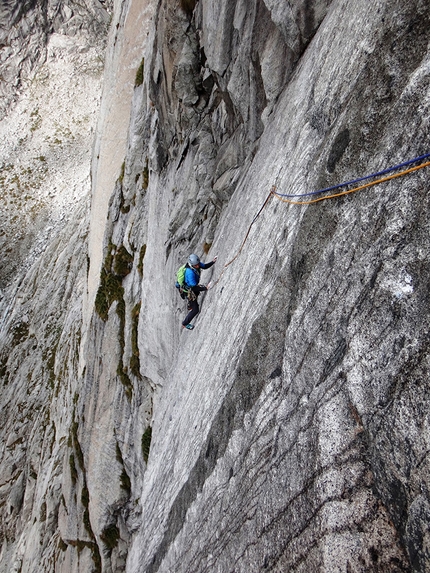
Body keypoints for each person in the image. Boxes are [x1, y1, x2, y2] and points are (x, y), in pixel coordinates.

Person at [182, 253, 217, 330]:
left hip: (193, 287)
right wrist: (205, 288)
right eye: (196, 265)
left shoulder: (195, 264)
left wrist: (213, 262)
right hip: (189, 290)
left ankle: (190, 304)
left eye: (198, 264)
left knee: (197, 294)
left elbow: (204, 266)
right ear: (192, 265)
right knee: (195, 310)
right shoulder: (190, 273)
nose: (198, 266)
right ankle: (185, 323)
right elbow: (194, 288)